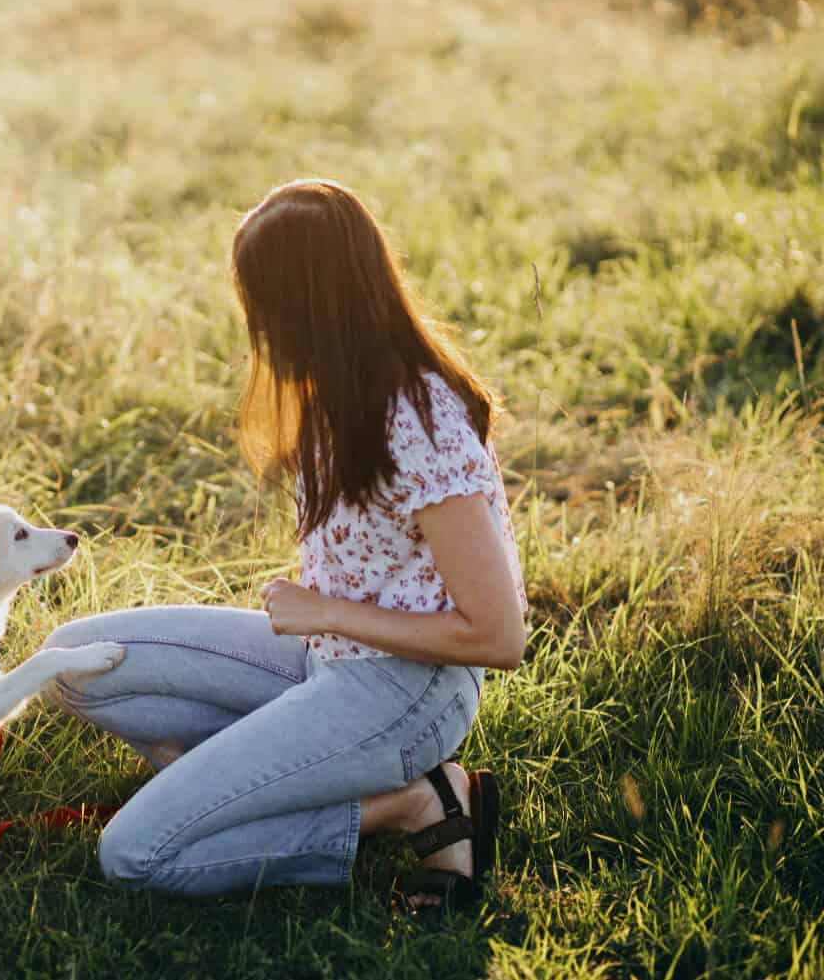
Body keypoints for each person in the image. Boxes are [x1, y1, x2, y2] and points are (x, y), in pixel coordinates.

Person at [43, 178, 528, 908]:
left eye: (261, 305)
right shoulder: (337, 390)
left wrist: (327, 612)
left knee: (134, 854)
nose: (256, 327)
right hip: (321, 661)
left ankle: (414, 804)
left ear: (306, 308)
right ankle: (238, 787)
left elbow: (498, 635)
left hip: (405, 693)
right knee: (71, 664)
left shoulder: (420, 421)